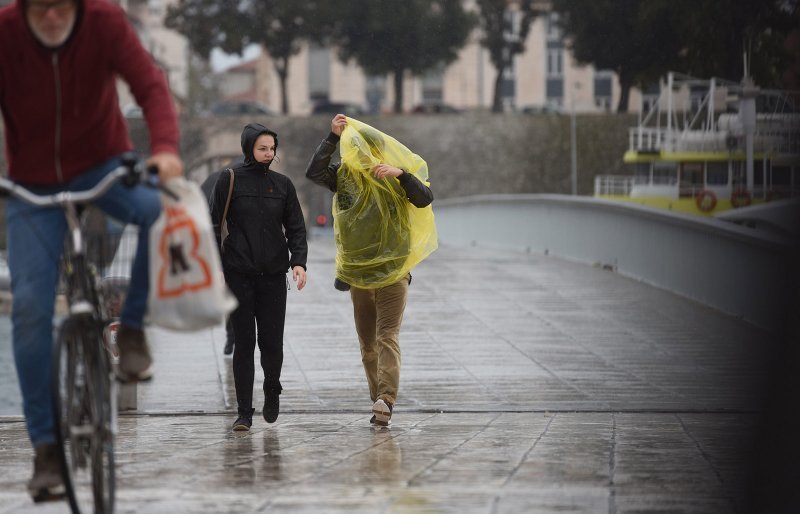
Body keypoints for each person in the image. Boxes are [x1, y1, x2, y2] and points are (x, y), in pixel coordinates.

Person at [0, 0, 183, 502]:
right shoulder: (6, 32)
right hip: (30, 188)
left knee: (159, 212)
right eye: (42, 8)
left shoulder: (103, 21)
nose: (54, 16)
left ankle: (136, 333)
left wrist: (165, 147)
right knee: (33, 309)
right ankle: (46, 452)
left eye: (63, 6)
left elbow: (149, 85)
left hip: (103, 167)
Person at [305, 114, 436, 427]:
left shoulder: (393, 175)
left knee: (386, 336)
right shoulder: (345, 176)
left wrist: (402, 174)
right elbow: (314, 173)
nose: (363, 156)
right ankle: (379, 400)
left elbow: (425, 198)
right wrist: (332, 138)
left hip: (393, 272)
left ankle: (387, 399)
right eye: (357, 150)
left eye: (368, 150)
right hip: (359, 276)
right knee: (367, 345)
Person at [209, 123, 308, 432]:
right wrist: (218, 267)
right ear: (249, 148)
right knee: (244, 342)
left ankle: (272, 387)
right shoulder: (230, 179)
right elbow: (212, 226)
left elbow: (296, 227)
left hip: (274, 276)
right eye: (262, 148)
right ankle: (243, 412)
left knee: (272, 343)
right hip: (239, 274)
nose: (269, 153)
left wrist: (299, 263)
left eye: (272, 148)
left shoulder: (283, 184)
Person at [200, 169, 236, 356]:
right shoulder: (215, 208)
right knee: (232, 296)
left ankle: (233, 335)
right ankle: (231, 336)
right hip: (227, 257)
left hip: (238, 255)